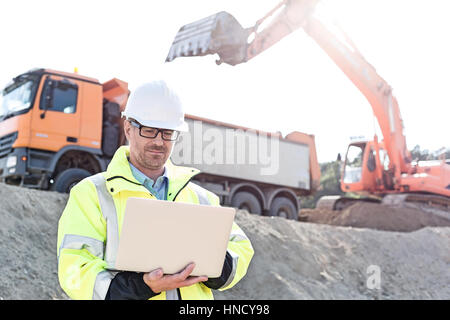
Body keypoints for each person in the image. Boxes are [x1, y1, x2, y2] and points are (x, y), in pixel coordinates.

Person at [57, 80, 254, 300]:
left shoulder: (200, 198)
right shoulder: (92, 193)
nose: (159, 142)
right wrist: (141, 286)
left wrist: (212, 265)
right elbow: (74, 269)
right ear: (128, 129)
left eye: (167, 133)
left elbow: (241, 249)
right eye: (150, 131)